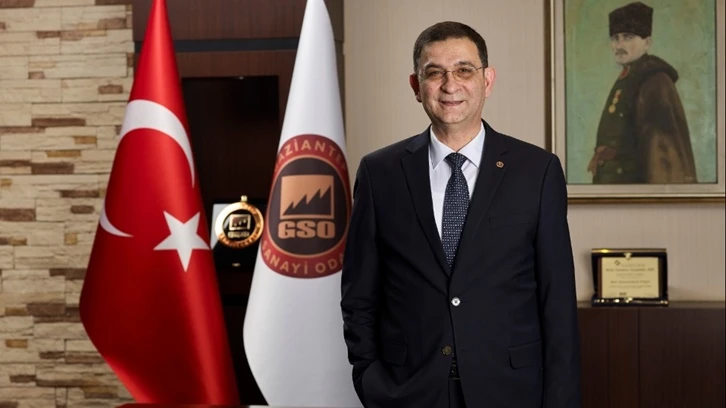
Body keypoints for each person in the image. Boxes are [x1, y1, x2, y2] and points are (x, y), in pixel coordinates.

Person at [341, 21, 581, 408]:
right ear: (416, 86)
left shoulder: (536, 171)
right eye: (434, 73)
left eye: (464, 70)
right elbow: (359, 293)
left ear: (487, 80)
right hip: (408, 392)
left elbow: (557, 302)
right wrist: (369, 377)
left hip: (511, 391)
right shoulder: (379, 172)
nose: (450, 85)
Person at [587, 1, 697, 184]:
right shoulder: (629, 79)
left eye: (628, 37)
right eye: (615, 38)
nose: (619, 44)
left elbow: (663, 155)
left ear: (647, 43)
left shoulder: (655, 82)